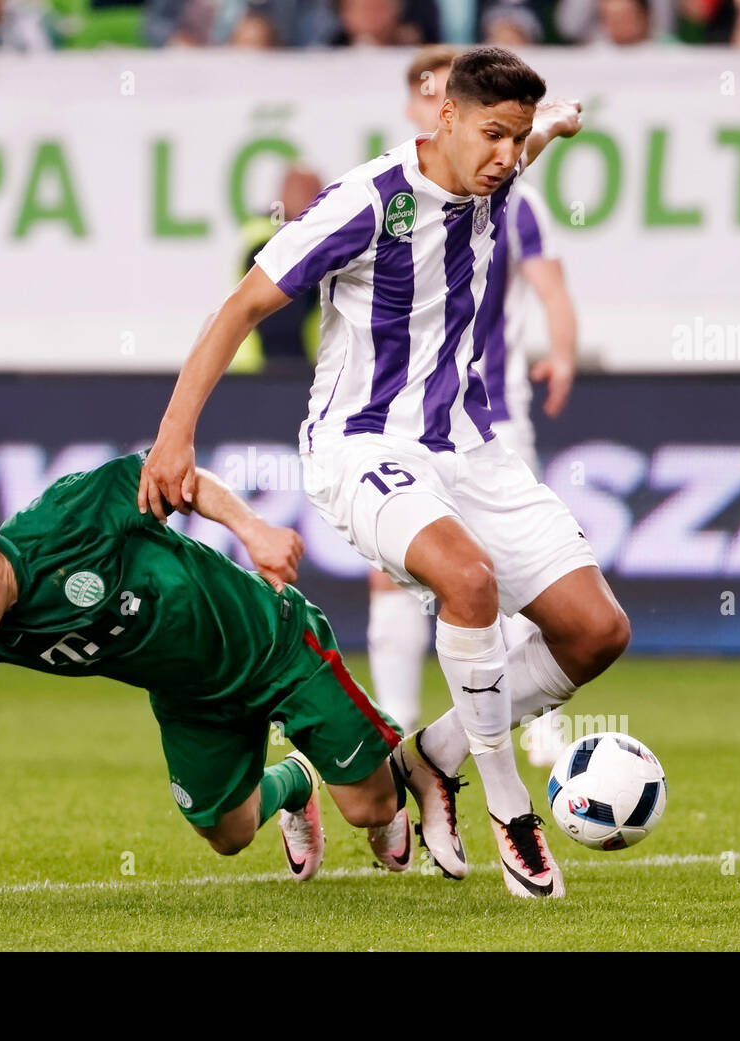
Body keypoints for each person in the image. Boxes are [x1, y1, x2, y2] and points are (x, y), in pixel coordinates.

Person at [140, 46, 630, 899]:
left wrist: (547, 127)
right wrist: (174, 435)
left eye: (516, 141)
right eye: (493, 136)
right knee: (467, 580)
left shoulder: (495, 171)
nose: (507, 157)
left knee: (597, 632)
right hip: (361, 448)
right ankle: (511, 810)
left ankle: (432, 753)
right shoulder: (366, 202)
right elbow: (241, 306)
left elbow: (523, 143)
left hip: (470, 449)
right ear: (441, 118)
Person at [0, 452, 413, 883]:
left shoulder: (68, 516)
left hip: (267, 640)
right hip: (188, 696)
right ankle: (297, 782)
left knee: (370, 809)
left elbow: (180, 477)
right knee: (229, 836)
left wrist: (252, 529)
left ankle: (397, 757)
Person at [369, 45, 578, 773]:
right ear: (422, 109)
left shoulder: (515, 192)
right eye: (426, 99)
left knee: (512, 569)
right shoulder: (389, 198)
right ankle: (397, 720)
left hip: (490, 412)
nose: (436, 111)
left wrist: (563, 348)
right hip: (401, 420)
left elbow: (549, 283)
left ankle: (533, 723)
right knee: (397, 570)